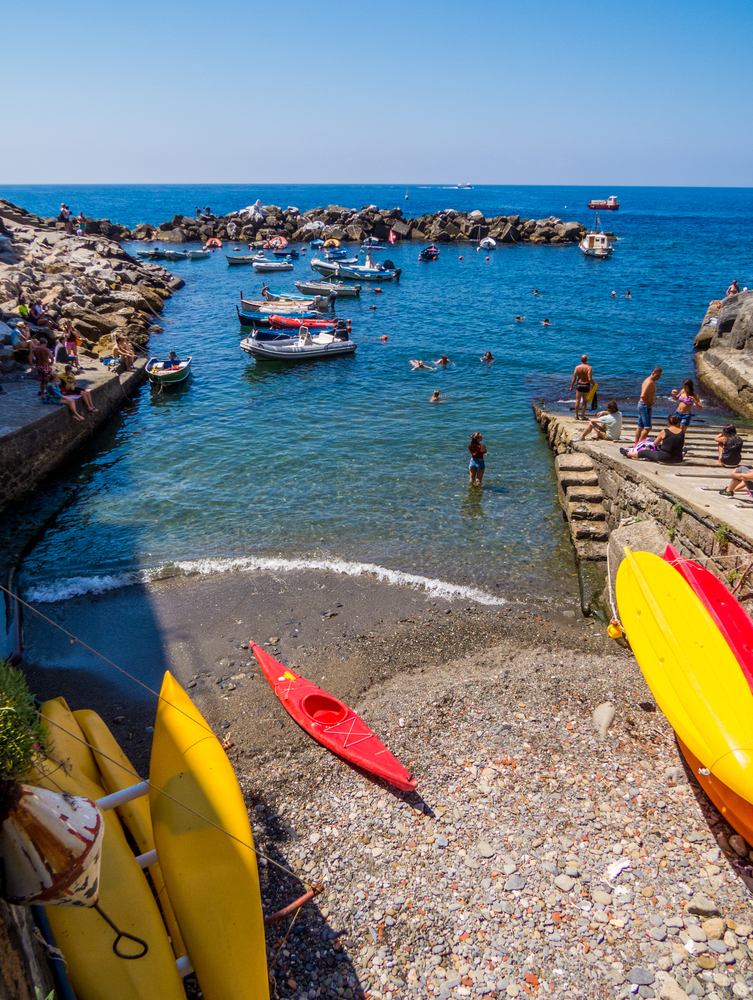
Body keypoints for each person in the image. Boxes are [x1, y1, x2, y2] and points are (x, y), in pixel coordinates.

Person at [634, 366, 663, 443]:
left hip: (642, 405)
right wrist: (648, 404)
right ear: (652, 373)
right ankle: (640, 445)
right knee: (648, 428)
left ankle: (636, 444)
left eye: (660, 376)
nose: (658, 377)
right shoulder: (649, 382)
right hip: (645, 406)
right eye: (657, 375)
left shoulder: (651, 381)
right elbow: (642, 395)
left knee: (640, 426)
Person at [570, 355, 593, 421]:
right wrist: (594, 383)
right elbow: (589, 378)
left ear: (581, 360)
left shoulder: (577, 367)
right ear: (587, 360)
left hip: (579, 385)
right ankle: (583, 416)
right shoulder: (589, 368)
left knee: (578, 400)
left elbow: (574, 378)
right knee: (584, 402)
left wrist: (571, 386)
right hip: (586, 385)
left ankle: (576, 416)